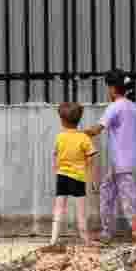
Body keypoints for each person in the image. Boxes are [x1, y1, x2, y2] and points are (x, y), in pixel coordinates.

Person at [83, 70, 136, 245]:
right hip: (124, 161)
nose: (108, 91)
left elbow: (97, 129)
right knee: (108, 192)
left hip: (120, 162)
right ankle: (107, 232)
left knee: (128, 200)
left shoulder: (115, 106)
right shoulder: (133, 107)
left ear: (113, 89)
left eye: (108, 87)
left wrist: (76, 133)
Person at [43, 102, 98, 249]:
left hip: (62, 176)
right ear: (79, 119)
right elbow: (91, 159)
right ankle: (85, 240)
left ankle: (53, 240)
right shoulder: (84, 138)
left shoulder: (59, 137)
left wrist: (56, 166)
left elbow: (55, 154)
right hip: (78, 178)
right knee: (81, 211)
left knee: (59, 208)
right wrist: (93, 181)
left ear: (62, 120)